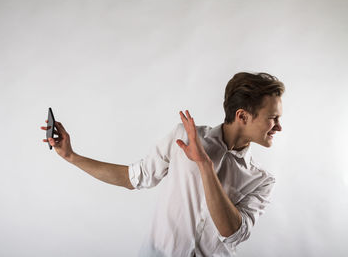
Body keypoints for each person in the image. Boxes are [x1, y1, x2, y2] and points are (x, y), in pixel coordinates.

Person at [40, 72, 285, 256]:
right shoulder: (185, 137)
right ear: (242, 116)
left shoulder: (262, 180)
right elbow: (132, 178)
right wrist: (72, 156)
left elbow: (232, 232)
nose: (279, 127)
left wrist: (204, 165)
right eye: (273, 118)